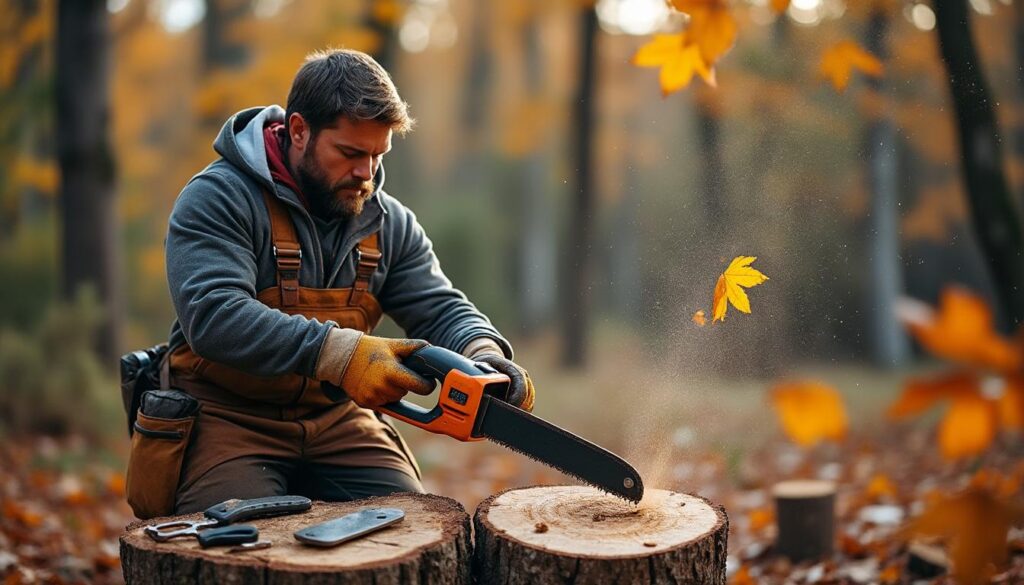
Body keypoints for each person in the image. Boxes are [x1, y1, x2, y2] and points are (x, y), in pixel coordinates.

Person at [160, 48, 534, 514]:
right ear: (299, 130)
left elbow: (438, 307)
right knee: (236, 537)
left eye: (378, 155)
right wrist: (339, 353)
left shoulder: (388, 222)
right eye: (351, 153)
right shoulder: (219, 198)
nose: (367, 174)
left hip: (337, 418)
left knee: (414, 524)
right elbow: (214, 316)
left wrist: (483, 355)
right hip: (227, 416)